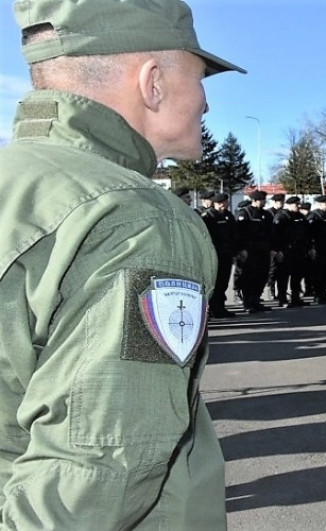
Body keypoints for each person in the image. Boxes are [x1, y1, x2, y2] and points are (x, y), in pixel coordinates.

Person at [0, 0, 244, 527]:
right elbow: (99, 468)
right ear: (152, 83)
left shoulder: (16, 184)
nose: (205, 103)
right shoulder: (136, 218)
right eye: (201, 78)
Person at [236, 190, 273, 312]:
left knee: (262, 275)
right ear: (255, 200)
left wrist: (272, 248)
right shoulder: (245, 213)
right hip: (250, 250)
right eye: (262, 199)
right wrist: (242, 249)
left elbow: (270, 233)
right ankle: (248, 302)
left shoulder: (266, 214)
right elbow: (240, 233)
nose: (264, 202)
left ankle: (256, 300)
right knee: (249, 276)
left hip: (264, 249)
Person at [202, 193, 238, 318]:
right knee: (215, 282)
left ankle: (221, 307)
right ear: (216, 203)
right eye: (223, 203)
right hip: (214, 253)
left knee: (224, 281)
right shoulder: (208, 216)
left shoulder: (228, 216)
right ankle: (213, 308)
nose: (225, 205)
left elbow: (234, 235)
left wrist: (235, 252)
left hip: (226, 253)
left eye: (226, 202)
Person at [307, 195, 326, 304]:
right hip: (318, 247)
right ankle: (318, 294)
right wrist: (312, 248)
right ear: (320, 204)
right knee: (318, 272)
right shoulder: (314, 215)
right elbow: (309, 233)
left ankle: (324, 293)